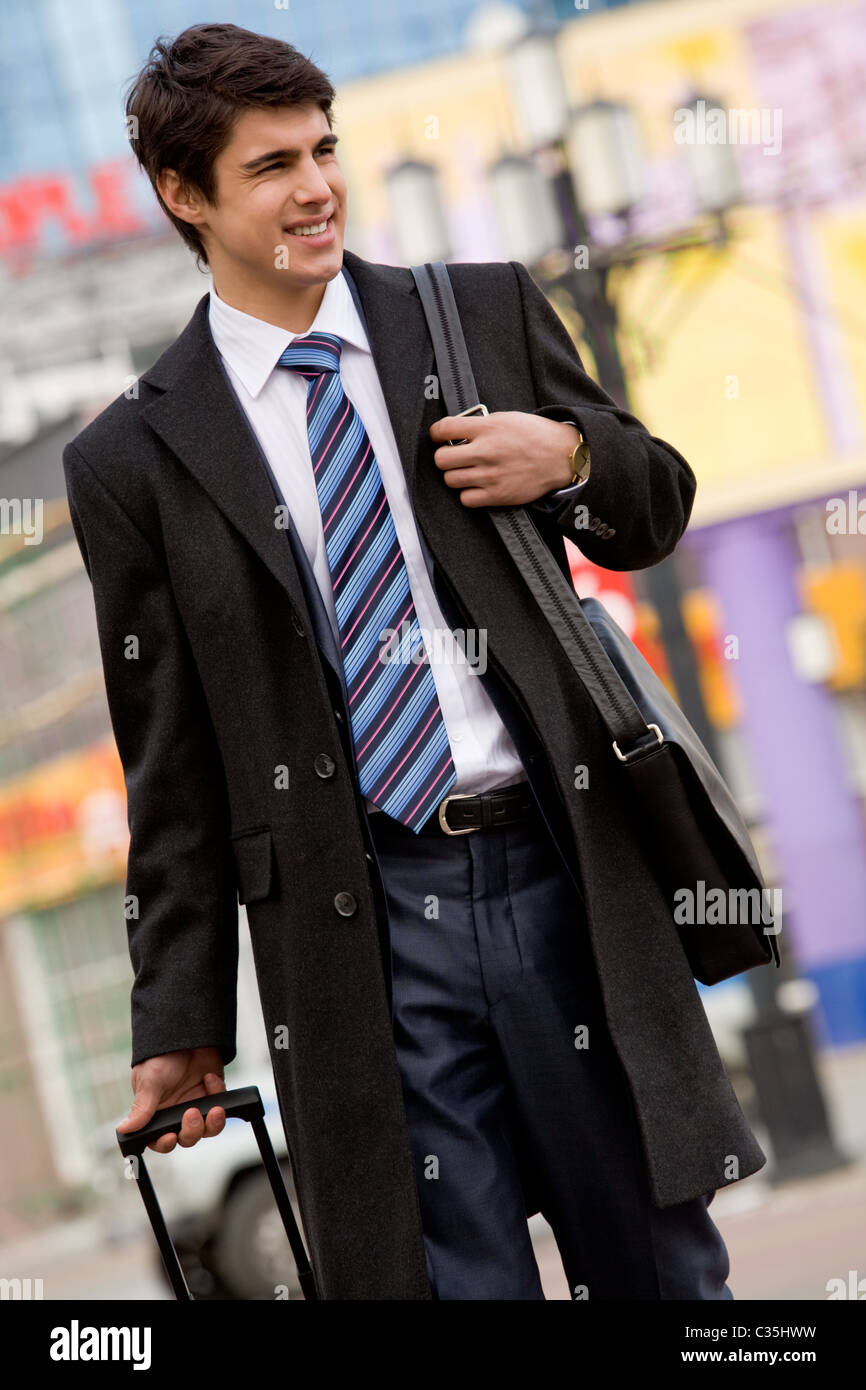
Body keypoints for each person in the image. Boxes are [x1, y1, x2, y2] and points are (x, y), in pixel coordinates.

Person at [63, 22, 766, 1300]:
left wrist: (571, 459)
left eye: (325, 148)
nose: (318, 184)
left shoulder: (477, 309)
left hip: (564, 878)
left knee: (664, 1277)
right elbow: (169, 771)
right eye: (272, 164)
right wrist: (178, 1025)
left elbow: (651, 500)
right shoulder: (132, 460)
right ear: (185, 195)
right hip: (362, 930)